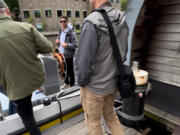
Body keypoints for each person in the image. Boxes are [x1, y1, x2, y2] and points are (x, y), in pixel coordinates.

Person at [0, 0, 53, 135]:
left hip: (14, 84)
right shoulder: (26, 27)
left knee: (28, 119)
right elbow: (47, 47)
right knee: (20, 101)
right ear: (7, 11)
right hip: (32, 79)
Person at [76, 0, 128, 135]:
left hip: (94, 88)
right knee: (111, 116)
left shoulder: (91, 22)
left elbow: (83, 63)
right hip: (112, 84)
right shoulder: (122, 18)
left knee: (93, 122)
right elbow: (123, 54)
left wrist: (82, 83)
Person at [56, 16, 78, 89]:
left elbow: (75, 45)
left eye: (64, 21)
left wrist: (67, 45)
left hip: (68, 54)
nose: (62, 23)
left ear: (67, 22)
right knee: (63, 69)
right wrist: (57, 40)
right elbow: (59, 37)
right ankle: (66, 82)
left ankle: (72, 85)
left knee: (70, 70)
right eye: (61, 21)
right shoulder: (61, 30)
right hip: (61, 53)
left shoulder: (71, 32)